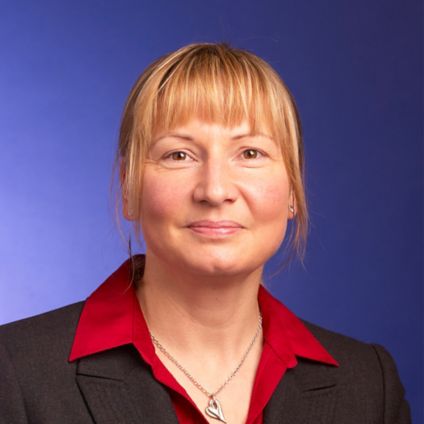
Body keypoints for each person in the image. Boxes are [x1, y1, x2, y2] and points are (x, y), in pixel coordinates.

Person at [0, 42, 411, 424]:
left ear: (293, 190)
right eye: (179, 155)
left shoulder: (370, 385)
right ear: (129, 188)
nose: (215, 191)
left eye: (250, 153)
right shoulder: (14, 371)